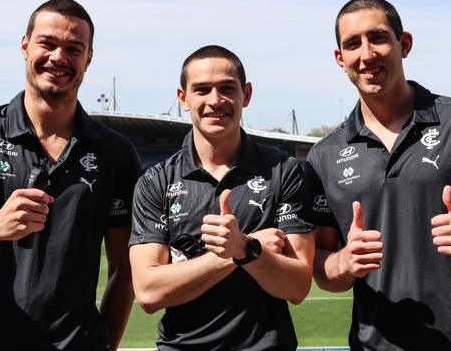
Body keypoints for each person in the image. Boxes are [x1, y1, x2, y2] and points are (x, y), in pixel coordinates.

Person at [305, 0, 451, 350]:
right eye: (353, 44)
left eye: (378, 37)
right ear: (340, 59)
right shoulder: (323, 156)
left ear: (404, 44)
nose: (367, 54)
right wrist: (345, 260)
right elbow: (324, 271)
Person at [0, 0, 140, 350]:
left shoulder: (115, 152)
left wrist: (105, 345)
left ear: (89, 58)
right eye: (47, 43)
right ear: (25, 46)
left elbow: (124, 268)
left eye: (74, 48)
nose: (59, 57)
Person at [128, 45, 315, 350]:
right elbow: (148, 293)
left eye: (227, 88)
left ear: (247, 94)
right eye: (201, 90)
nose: (215, 101)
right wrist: (240, 252)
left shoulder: (285, 171)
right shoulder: (156, 180)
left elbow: (297, 286)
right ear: (182, 98)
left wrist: (242, 247)